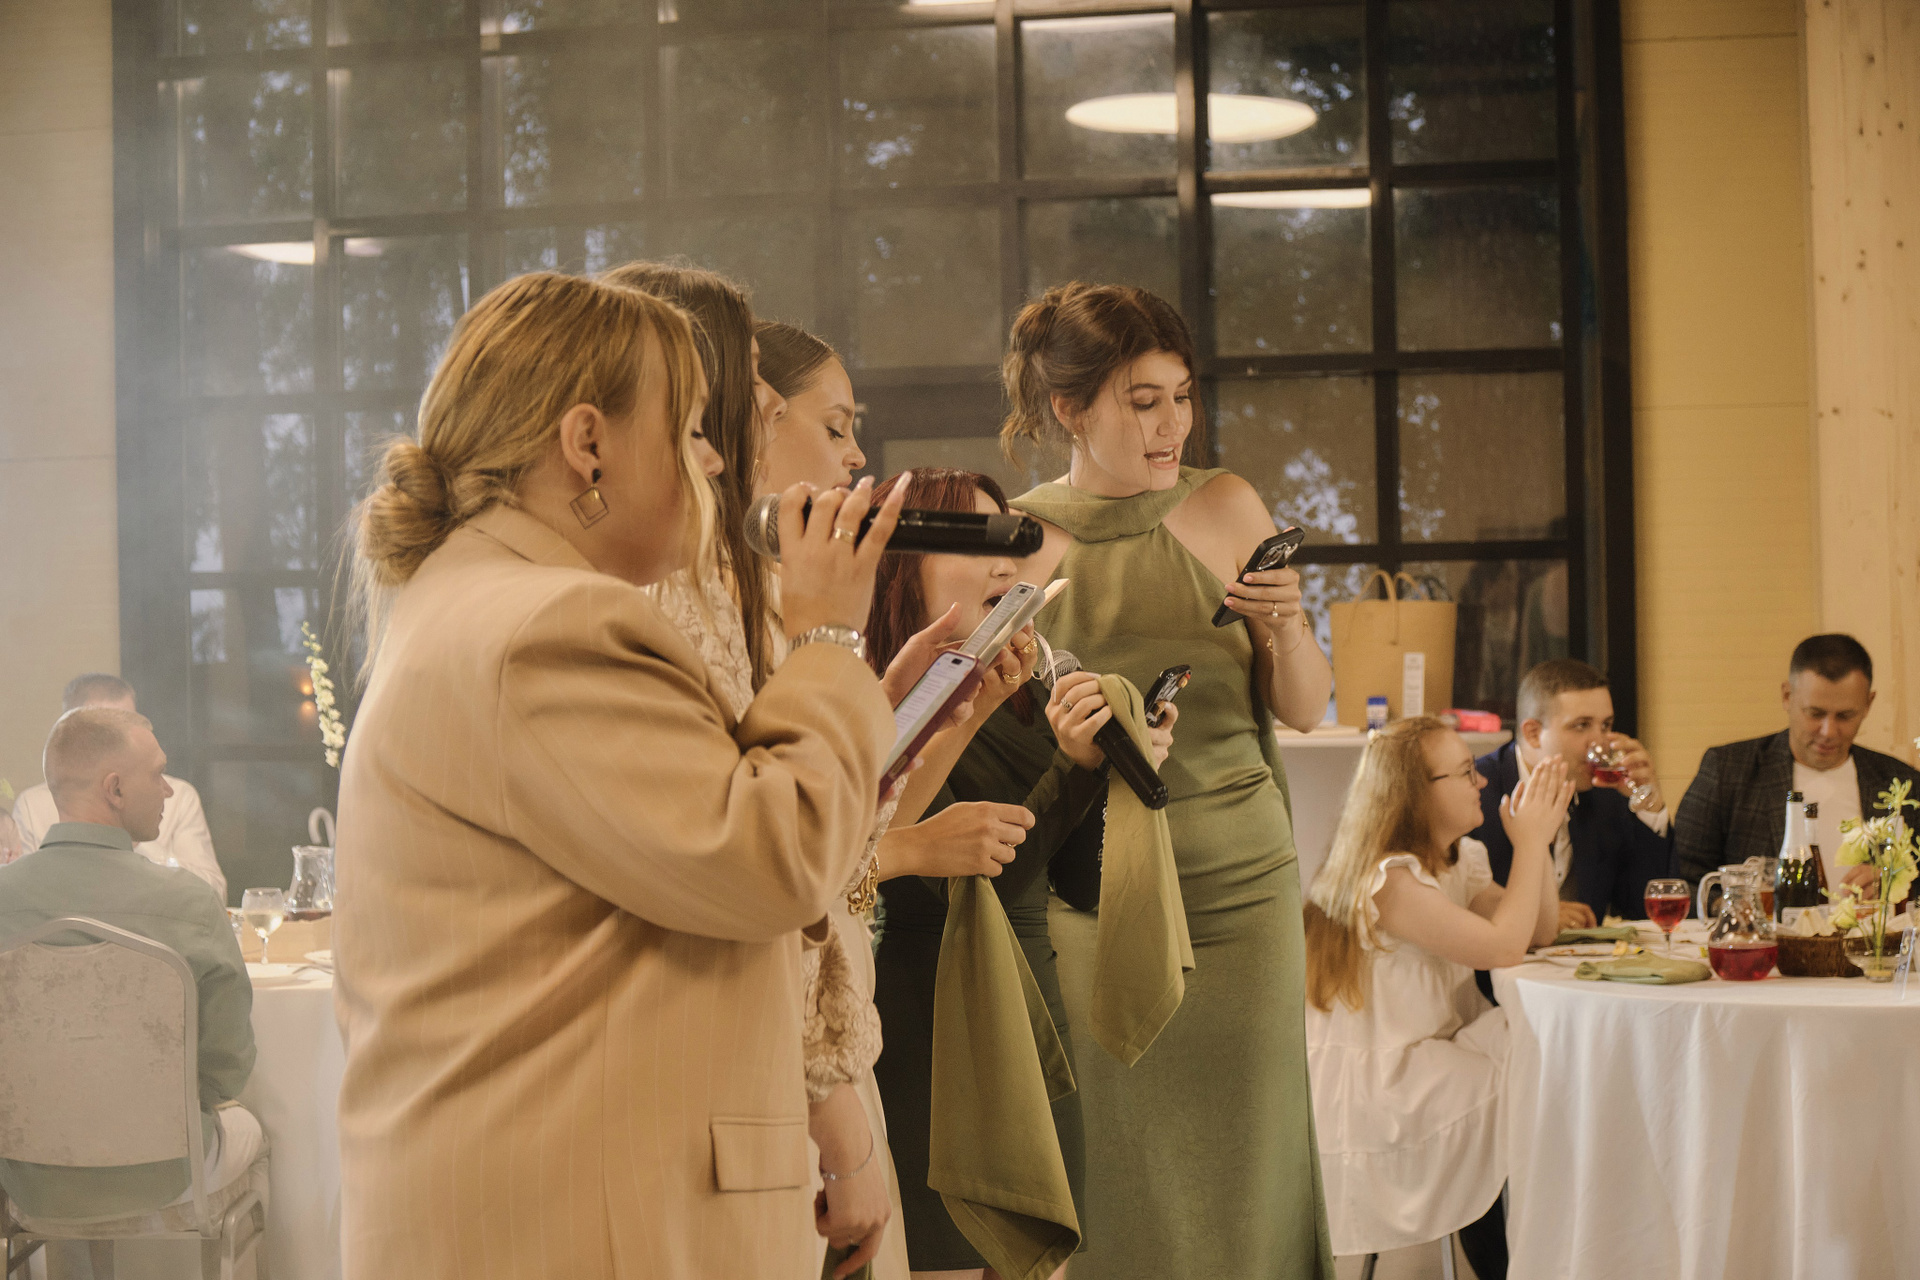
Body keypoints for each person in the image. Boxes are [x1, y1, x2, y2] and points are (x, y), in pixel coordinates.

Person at [332, 272, 911, 1279]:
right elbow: (774, 856)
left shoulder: (478, 598)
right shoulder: (552, 627)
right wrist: (826, 637)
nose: (715, 459)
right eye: (688, 429)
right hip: (583, 1218)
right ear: (587, 443)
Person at [1001, 282, 1336, 1277]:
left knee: (1252, 1159)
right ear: (1069, 407)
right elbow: (997, 744)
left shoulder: (1225, 503)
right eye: (1143, 401)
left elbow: (1305, 708)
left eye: (1182, 397)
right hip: (1094, 897)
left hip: (1244, 888)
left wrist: (1285, 623)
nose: (1172, 424)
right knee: (1119, 1168)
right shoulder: (1019, 540)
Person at [599, 268, 898, 1279]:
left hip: (787, 1042)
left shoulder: (734, 582)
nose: (722, 452)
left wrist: (897, 712)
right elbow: (766, 862)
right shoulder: (665, 597)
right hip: (739, 1061)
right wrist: (840, 1115)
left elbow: (826, 848)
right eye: (709, 423)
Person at [864, 468, 1176, 1279]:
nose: (1007, 561)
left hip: (1033, 1002)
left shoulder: (1028, 690)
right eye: (976, 541)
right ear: (901, 563)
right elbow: (944, 875)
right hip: (928, 1013)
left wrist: (1097, 769)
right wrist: (1066, 766)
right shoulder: (868, 698)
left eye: (1010, 538)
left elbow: (1071, 881)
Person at [1303, 719, 1570, 1280]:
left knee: (1547, 1050)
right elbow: (1503, 947)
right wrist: (1527, 842)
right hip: (1385, 1084)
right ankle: (1527, 1252)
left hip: (1429, 1056)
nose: (1481, 783)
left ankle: (1539, 1244)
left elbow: (1539, 930)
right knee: (1539, 1065)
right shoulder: (1390, 881)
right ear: (1415, 793)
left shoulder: (1455, 861)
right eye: (1466, 772)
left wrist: (1540, 842)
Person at [0, 707, 260, 1232]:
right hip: (166, 1172)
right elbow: (227, 1064)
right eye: (158, 773)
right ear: (115, 789)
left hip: (26, 1178)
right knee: (258, 1130)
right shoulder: (188, 903)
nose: (168, 789)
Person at [1676, 634, 1920, 891]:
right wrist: (1733, 906)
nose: (1828, 731)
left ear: (1868, 704)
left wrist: (1895, 885)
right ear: (1787, 696)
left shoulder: (1901, 783)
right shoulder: (1729, 771)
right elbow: (1683, 880)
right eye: (1815, 713)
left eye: (1845, 716)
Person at [1469, 660, 1672, 927]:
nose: (1600, 743)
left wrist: (1650, 808)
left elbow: (1644, 909)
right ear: (1533, 733)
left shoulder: (1606, 793)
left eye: (1605, 725)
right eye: (1581, 725)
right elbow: (1455, 908)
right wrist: (1540, 917)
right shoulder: (1477, 792)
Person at [11, 674, 224, 900]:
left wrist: (137, 843)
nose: (119, 737)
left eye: (130, 722)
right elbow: (25, 892)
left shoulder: (178, 797)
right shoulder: (32, 806)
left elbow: (214, 894)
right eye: (103, 730)